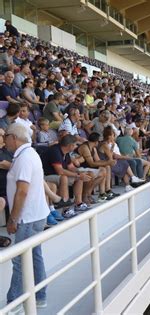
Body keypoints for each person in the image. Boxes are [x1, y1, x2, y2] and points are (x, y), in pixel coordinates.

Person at [5, 123, 50, 310]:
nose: (4, 140)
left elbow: (22, 191)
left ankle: (13, 303)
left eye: (6, 136)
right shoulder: (30, 154)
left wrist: (13, 219)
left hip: (27, 217)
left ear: (14, 138)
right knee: (35, 256)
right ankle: (40, 296)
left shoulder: (24, 158)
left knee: (20, 261)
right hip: (37, 215)